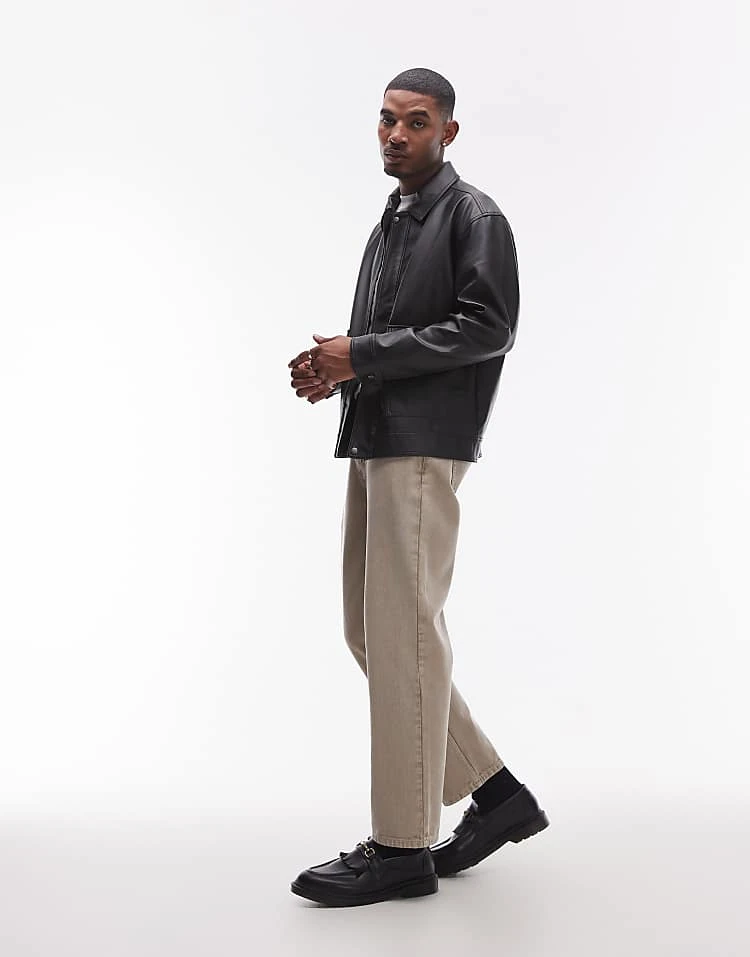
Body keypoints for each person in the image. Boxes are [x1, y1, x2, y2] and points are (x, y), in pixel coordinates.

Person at [287, 67, 548, 907]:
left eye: (416, 121)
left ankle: (401, 848)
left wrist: (361, 354)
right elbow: (396, 332)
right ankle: (498, 795)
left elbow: (488, 326)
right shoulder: (394, 219)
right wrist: (337, 367)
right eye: (386, 120)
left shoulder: (474, 216)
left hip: (425, 445)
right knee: (374, 631)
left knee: (403, 632)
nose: (396, 134)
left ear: (448, 132)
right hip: (378, 434)